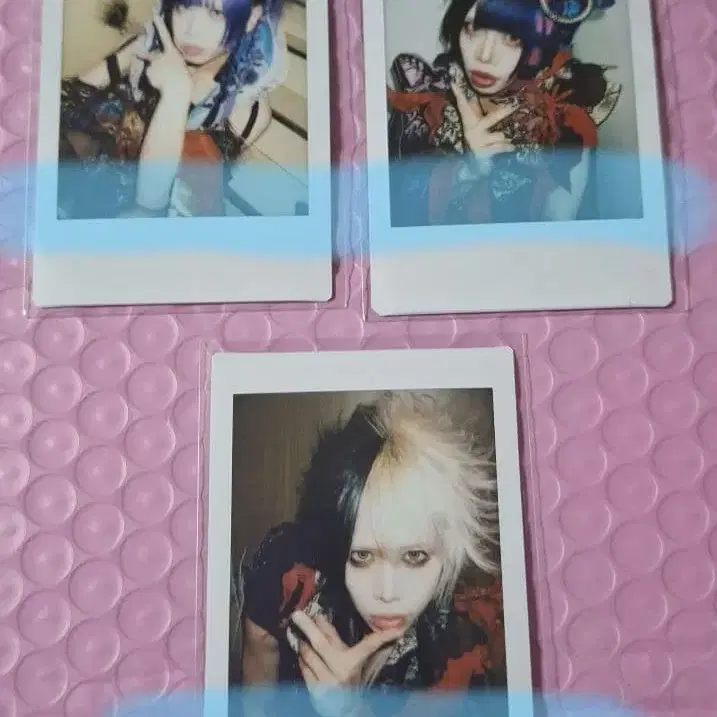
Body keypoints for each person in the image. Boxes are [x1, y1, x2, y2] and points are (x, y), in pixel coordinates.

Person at [238, 393, 505, 717]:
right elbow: (257, 672)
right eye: (362, 557)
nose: (387, 593)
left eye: (415, 556)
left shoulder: (468, 647)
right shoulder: (290, 570)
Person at [386, 0, 622, 226]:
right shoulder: (428, 104)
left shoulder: (565, 122)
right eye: (472, 28)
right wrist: (468, 171)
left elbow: (559, 233)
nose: (484, 55)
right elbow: (394, 213)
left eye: (512, 37)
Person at [58, 0, 285, 219]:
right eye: (183, 6)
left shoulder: (249, 112)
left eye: (215, 13)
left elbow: (183, 199)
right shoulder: (147, 47)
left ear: (252, 17)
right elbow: (70, 100)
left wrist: (174, 93)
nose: (191, 30)